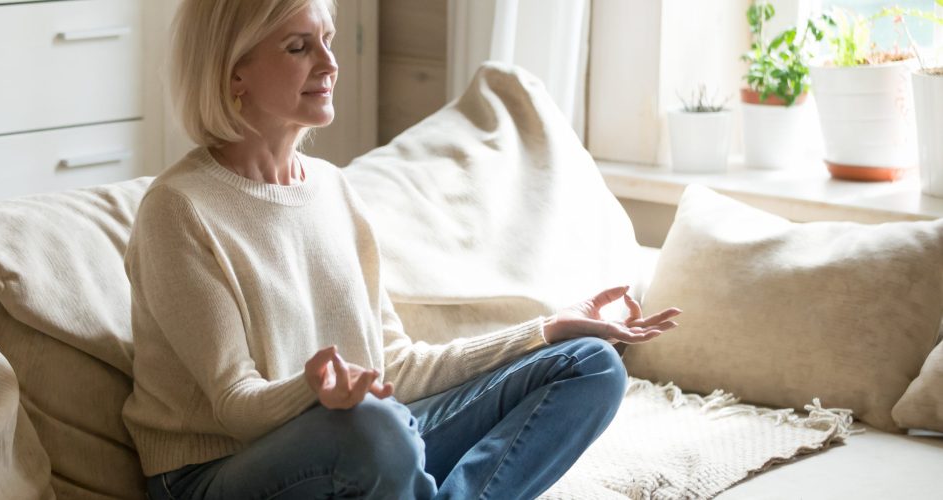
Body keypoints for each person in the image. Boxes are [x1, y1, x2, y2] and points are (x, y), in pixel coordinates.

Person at [124, 0, 683, 498]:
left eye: (328, 40)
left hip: (367, 441)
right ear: (233, 72)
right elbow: (236, 404)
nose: (329, 62)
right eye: (299, 47)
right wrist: (314, 392)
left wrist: (546, 329)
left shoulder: (333, 190)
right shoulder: (179, 209)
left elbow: (398, 365)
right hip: (215, 473)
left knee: (590, 365)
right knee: (375, 427)